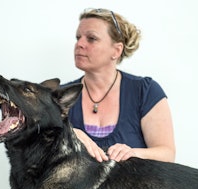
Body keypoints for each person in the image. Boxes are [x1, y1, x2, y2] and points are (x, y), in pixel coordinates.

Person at [68, 8, 175, 163]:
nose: (79, 44)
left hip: (136, 186)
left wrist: (133, 152)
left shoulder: (145, 91)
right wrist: (72, 134)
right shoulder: (59, 96)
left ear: (117, 50)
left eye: (91, 38)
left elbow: (167, 154)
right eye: (78, 37)